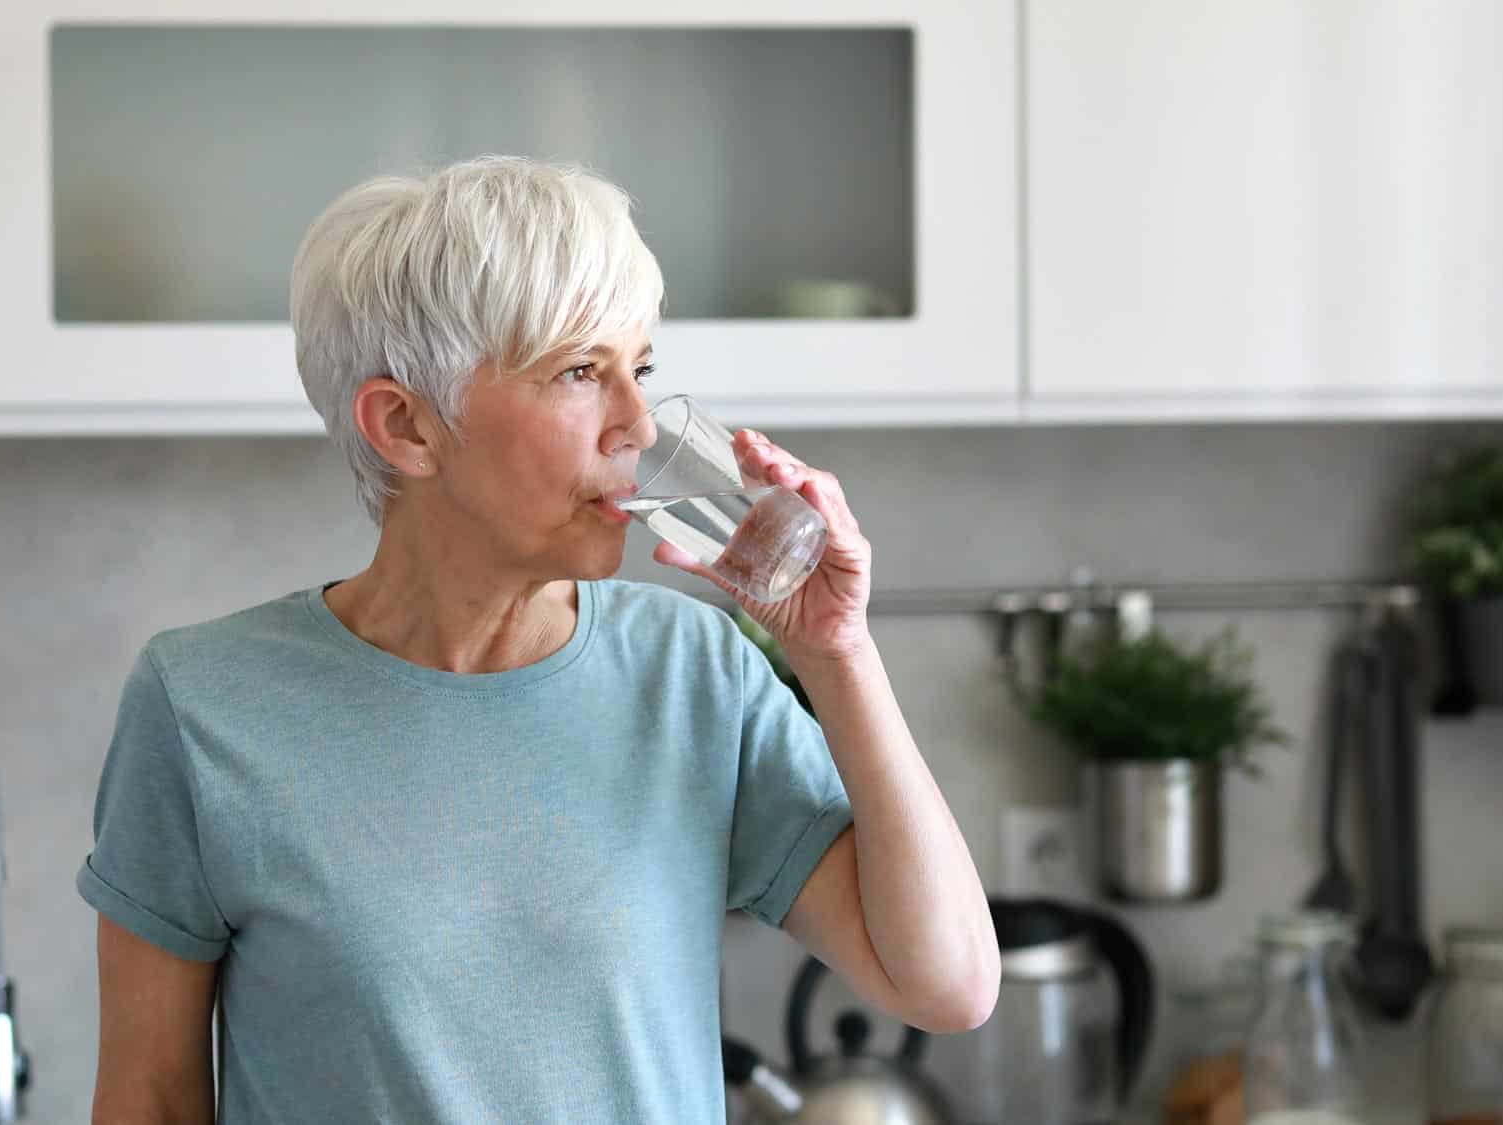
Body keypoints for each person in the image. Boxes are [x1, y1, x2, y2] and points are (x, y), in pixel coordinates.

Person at [78, 155, 998, 1123]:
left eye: (636, 369)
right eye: (577, 373)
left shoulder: (692, 673)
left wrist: (837, 656)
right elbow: (147, 1093)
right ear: (405, 427)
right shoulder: (204, 702)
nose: (636, 425)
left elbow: (943, 987)